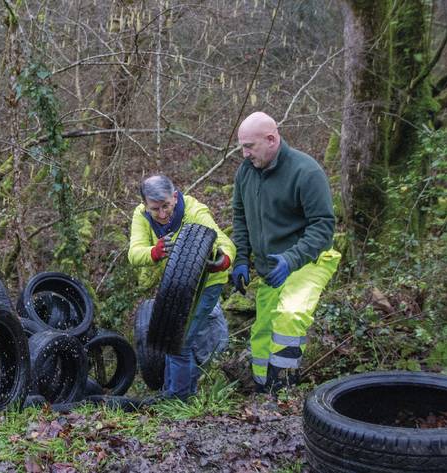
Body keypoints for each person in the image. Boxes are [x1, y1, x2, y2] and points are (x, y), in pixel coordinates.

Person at [231, 112, 340, 394]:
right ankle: (260, 391)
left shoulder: (306, 171)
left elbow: (324, 225)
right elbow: (240, 217)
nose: (244, 153)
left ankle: (283, 393)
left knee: (289, 316)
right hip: (271, 267)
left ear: (271, 139)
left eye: (249, 146)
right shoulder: (246, 172)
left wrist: (292, 259)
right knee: (263, 332)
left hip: (310, 261)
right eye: (241, 147)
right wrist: (241, 258)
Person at [128, 175, 236, 401]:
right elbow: (134, 253)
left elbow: (224, 241)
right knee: (169, 338)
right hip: (175, 283)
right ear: (145, 205)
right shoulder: (141, 215)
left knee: (180, 340)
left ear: (175, 197)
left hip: (207, 283)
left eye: (166, 205)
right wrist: (154, 252)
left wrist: (224, 260)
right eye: (155, 209)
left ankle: (178, 399)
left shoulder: (195, 212)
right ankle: (174, 392)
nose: (162, 213)